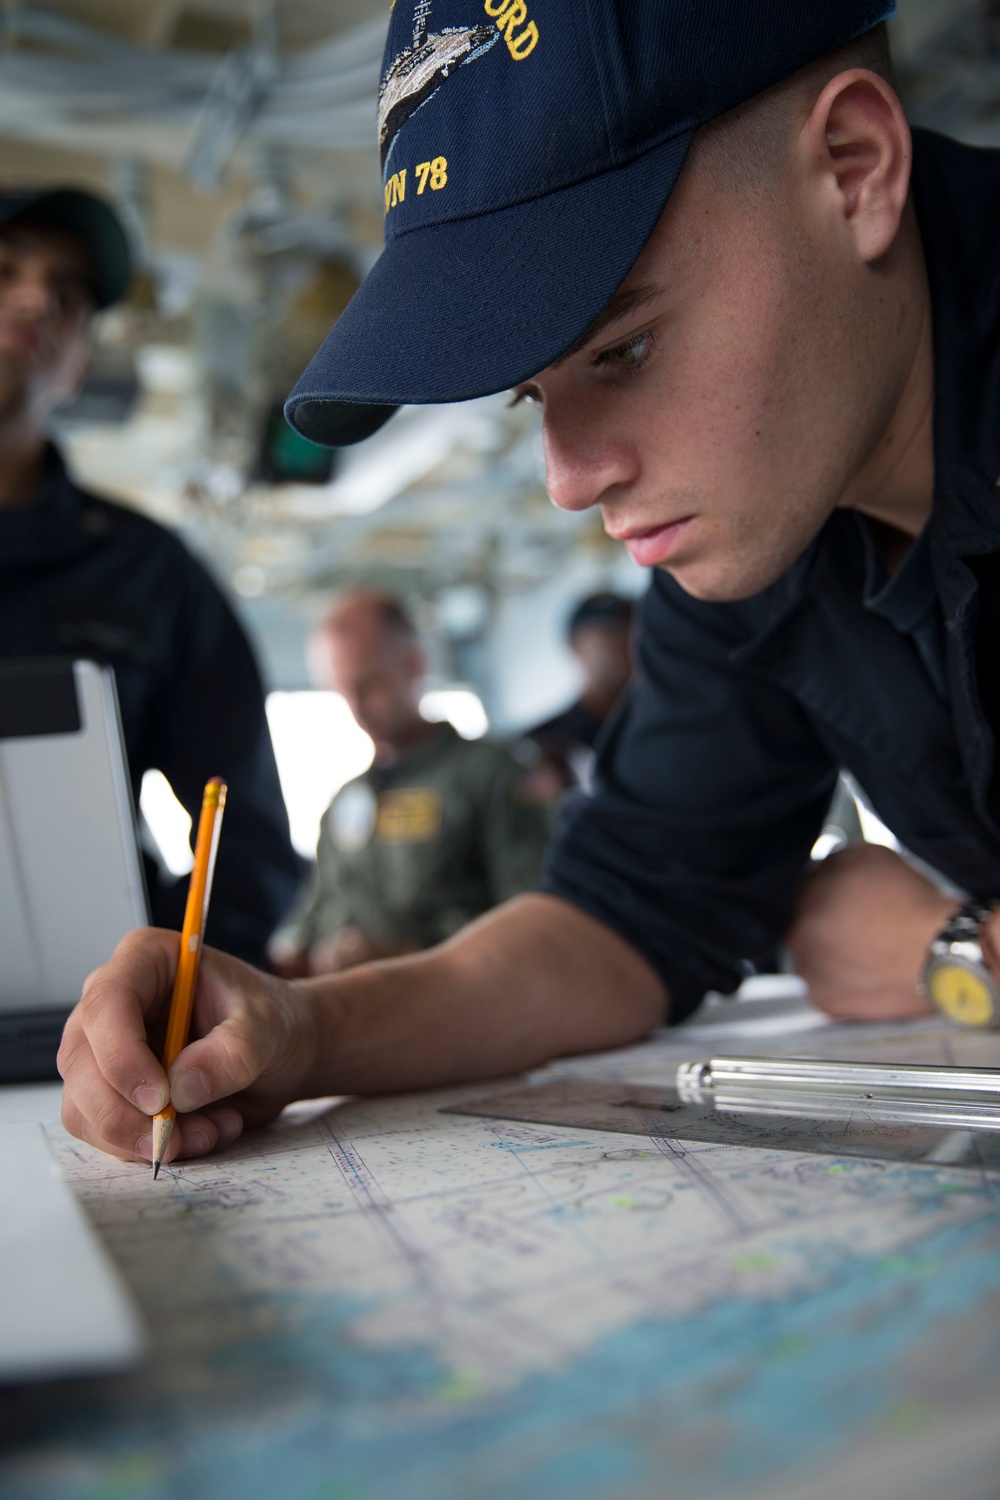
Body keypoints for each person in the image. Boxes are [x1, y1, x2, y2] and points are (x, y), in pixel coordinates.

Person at [58, 1, 1000, 1169]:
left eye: (623, 350)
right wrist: (295, 1031)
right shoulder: (770, 524)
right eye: (534, 394)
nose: (568, 478)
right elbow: (624, 919)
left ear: (854, 171)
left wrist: (957, 956)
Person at [0, 187, 300, 966]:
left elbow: (247, 838)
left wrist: (163, 981)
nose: (37, 299)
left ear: (78, 366)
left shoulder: (151, 575)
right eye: (4, 270)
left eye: (68, 296)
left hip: (78, 1029)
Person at [272, 588, 550, 976]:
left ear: (414, 666)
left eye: (369, 685)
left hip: (449, 1011)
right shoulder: (344, 801)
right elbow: (319, 908)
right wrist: (287, 957)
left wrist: (404, 954)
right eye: (341, 691)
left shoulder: (489, 774)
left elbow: (536, 921)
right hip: (343, 1015)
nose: (357, 707)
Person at [522, 592, 634, 798]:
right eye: (611, 634)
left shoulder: (669, 719)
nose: (628, 644)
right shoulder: (542, 746)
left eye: (634, 631)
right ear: (575, 646)